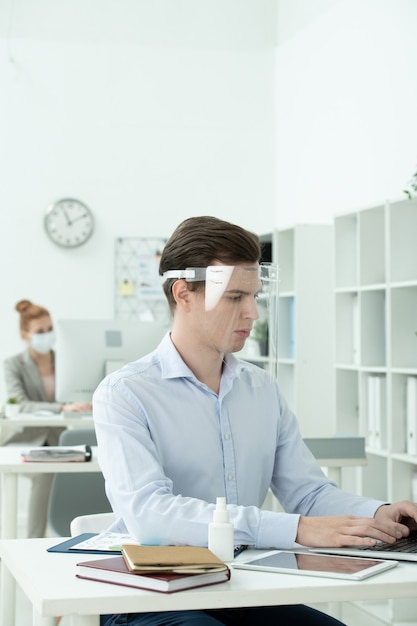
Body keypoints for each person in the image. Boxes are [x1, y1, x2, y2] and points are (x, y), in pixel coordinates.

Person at [93, 216, 417, 626]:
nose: (253, 313)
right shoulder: (125, 393)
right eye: (234, 298)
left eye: (254, 296)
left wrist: (377, 514)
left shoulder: (260, 389)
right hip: (153, 594)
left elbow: (309, 494)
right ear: (184, 294)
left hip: (243, 586)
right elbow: (150, 515)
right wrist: (296, 530)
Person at [3, 299, 92, 537]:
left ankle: (82, 533)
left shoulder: (66, 360)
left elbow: (79, 392)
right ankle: (33, 540)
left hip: (59, 439)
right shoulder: (13, 365)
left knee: (90, 469)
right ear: (26, 335)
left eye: (50, 329)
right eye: (40, 331)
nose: (47, 335)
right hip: (27, 439)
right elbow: (21, 403)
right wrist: (62, 407)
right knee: (46, 473)